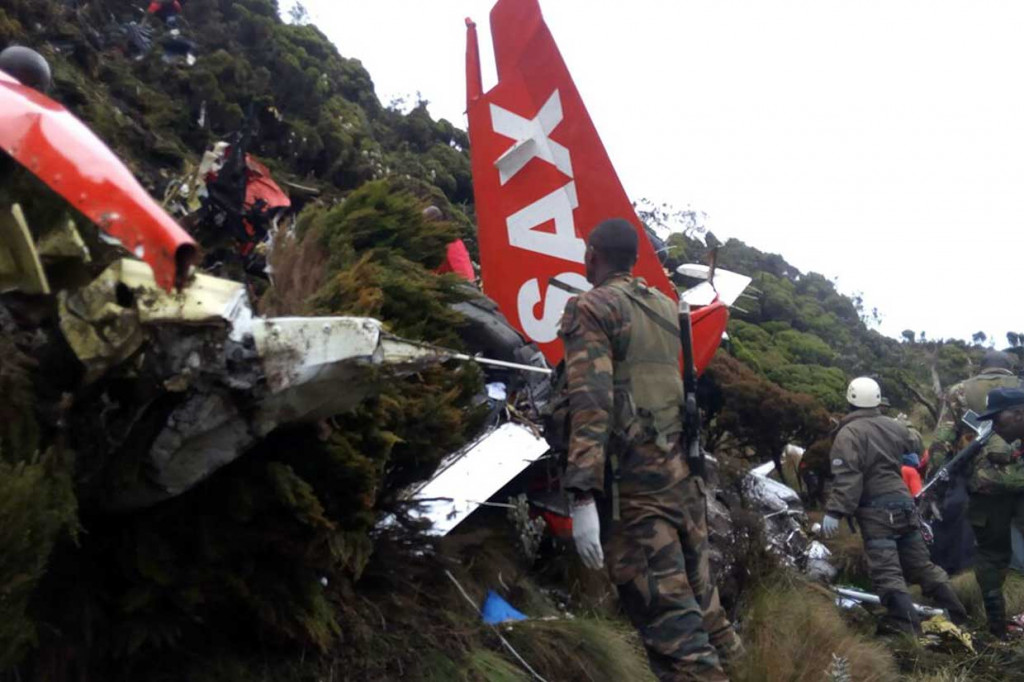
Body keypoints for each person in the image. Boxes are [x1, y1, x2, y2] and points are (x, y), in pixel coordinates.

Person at [560, 218, 739, 681]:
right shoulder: (663, 305)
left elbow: (591, 404)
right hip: (683, 480)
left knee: (677, 639)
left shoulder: (591, 308)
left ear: (593, 255)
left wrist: (581, 495)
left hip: (636, 495)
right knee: (709, 616)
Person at [820, 377, 967, 634]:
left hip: (876, 511)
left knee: (887, 572)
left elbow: (848, 477)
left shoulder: (848, 434)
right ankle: (957, 613)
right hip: (905, 503)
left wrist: (835, 511)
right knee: (921, 565)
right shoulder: (892, 426)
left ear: (850, 400)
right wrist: (907, 427)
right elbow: (915, 444)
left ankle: (906, 627)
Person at [928, 350, 1020, 574]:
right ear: (1010, 368)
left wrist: (935, 484)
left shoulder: (960, 391)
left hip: (975, 480)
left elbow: (941, 442)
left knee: (965, 532)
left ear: (981, 368)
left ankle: (966, 581)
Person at [966, 386, 1024, 637]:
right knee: (989, 560)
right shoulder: (990, 441)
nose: (992, 424)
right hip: (992, 505)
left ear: (1018, 414)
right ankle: (998, 630)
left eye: (997, 416)